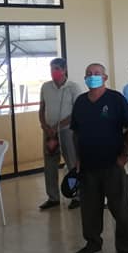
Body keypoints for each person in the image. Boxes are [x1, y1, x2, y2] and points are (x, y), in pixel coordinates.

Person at [70, 63, 128, 253]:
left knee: (120, 209)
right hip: (88, 166)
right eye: (89, 74)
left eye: (97, 74)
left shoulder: (116, 99)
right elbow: (76, 132)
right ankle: (92, 243)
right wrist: (78, 158)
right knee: (89, 209)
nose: (93, 77)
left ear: (105, 77)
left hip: (112, 165)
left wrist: (124, 156)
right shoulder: (81, 102)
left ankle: (125, 248)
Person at [39, 57, 84, 210]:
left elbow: (77, 112)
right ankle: (53, 197)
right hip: (49, 132)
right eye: (52, 69)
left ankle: (77, 195)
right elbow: (42, 109)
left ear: (64, 70)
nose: (54, 72)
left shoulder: (73, 87)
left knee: (72, 163)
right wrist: (45, 126)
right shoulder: (45, 87)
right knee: (50, 165)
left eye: (57, 69)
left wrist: (59, 126)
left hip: (67, 131)